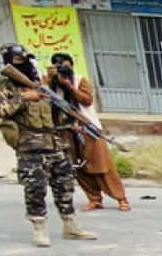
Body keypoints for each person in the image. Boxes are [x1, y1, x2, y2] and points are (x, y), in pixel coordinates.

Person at [0, 43, 97, 248]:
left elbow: (55, 112)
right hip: (29, 145)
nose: (25, 64)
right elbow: (1, 110)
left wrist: (70, 118)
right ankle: (39, 228)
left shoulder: (38, 83)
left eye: (26, 60)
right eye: (18, 60)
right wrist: (24, 97)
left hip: (55, 141)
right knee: (35, 187)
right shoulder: (3, 84)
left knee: (65, 184)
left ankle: (70, 226)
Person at [49, 53, 129, 212]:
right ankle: (94, 199)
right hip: (66, 130)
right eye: (59, 67)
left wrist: (69, 86)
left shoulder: (80, 80)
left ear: (72, 66)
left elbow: (87, 100)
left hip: (88, 128)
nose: (63, 70)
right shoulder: (52, 84)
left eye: (66, 66)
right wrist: (50, 80)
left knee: (102, 164)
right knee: (78, 167)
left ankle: (121, 198)